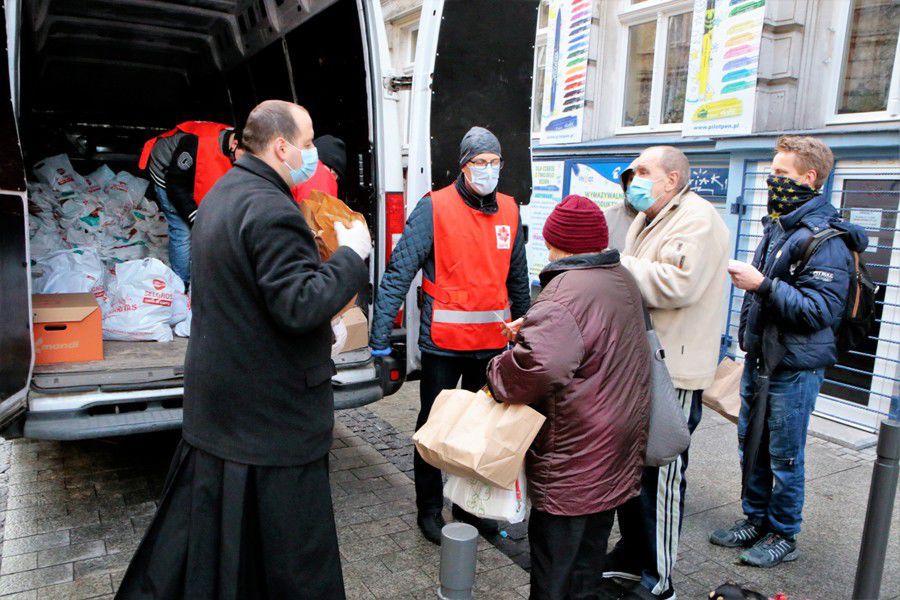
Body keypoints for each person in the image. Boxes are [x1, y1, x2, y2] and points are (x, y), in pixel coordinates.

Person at [116, 100, 372, 599]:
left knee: (222, 555)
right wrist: (350, 256)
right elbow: (299, 305)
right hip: (269, 422)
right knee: (293, 562)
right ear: (281, 147)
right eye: (307, 142)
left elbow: (251, 297)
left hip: (224, 411)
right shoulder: (273, 210)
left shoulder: (222, 193)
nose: (312, 153)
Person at [370, 126, 531, 544]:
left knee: (479, 431)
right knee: (434, 428)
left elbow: (518, 279)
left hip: (490, 345)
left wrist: (528, 333)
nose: (488, 169)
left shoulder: (510, 210)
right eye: (480, 162)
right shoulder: (434, 207)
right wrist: (379, 336)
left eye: (495, 162)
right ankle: (429, 510)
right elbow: (399, 272)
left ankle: (470, 508)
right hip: (443, 345)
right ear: (464, 165)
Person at [486, 195, 651, 600]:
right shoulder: (621, 278)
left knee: (553, 572)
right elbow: (593, 339)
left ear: (558, 243)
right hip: (616, 447)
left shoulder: (563, 292)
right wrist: (538, 326)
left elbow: (537, 370)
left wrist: (496, 369)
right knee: (587, 564)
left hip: (574, 455)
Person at [711, 136, 865, 567]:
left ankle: (783, 534)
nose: (771, 179)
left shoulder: (825, 240)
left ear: (809, 177)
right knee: (753, 445)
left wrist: (762, 284)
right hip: (763, 357)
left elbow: (819, 311)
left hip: (795, 367)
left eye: (781, 173)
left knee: (784, 455)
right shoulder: (781, 225)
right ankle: (756, 519)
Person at [604, 146, 730, 599]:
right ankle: (631, 556)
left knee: (661, 477)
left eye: (643, 171)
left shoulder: (698, 219)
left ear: (672, 179)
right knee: (631, 472)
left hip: (674, 371)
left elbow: (677, 285)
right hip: (641, 364)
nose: (633, 178)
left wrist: (613, 262)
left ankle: (659, 579)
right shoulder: (650, 216)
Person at [138, 121, 242, 284]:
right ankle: (182, 283)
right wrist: (194, 215)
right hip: (167, 173)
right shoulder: (197, 144)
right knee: (182, 231)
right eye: (246, 157)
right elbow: (176, 185)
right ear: (235, 144)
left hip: (192, 174)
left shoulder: (243, 147)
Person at [292, 134, 346, 202]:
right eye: (336, 177)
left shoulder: (297, 168)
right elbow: (314, 208)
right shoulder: (320, 178)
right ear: (333, 173)